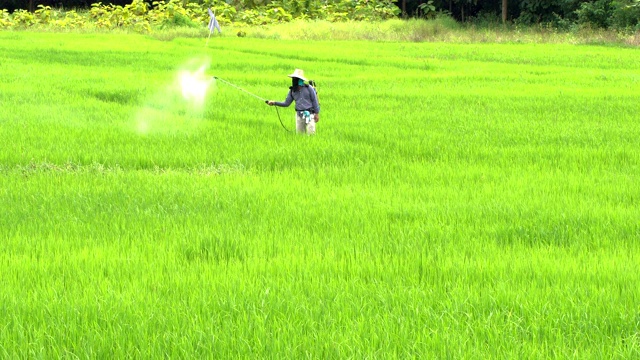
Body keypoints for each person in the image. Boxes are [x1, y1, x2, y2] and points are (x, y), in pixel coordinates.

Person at [267, 69, 320, 135]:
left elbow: (314, 101)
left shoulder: (309, 88)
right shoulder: (292, 91)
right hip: (299, 116)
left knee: (311, 134)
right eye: (293, 78)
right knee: (300, 136)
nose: (294, 80)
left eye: (296, 78)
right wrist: (274, 103)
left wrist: (317, 113)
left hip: (310, 115)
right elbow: (286, 103)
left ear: (300, 80)